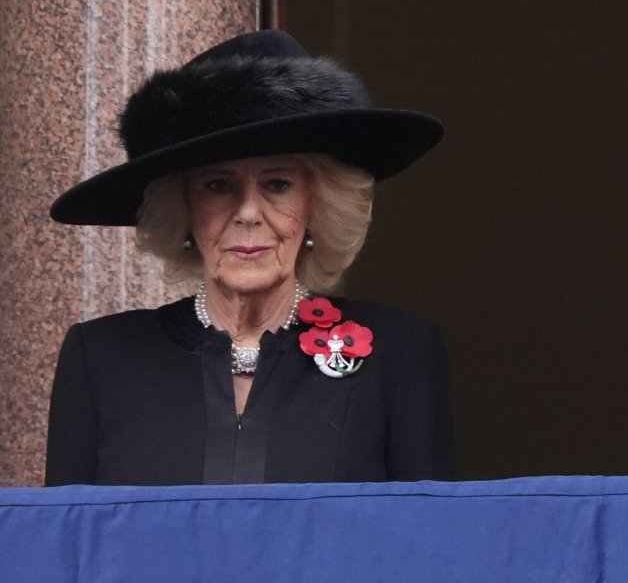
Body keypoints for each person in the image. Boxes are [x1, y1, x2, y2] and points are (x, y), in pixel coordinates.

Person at [45, 30, 453, 485]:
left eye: (278, 184)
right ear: (182, 210)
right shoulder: (102, 358)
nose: (247, 213)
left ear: (317, 205)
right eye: (218, 186)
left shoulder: (398, 356)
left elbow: (424, 545)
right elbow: (69, 544)